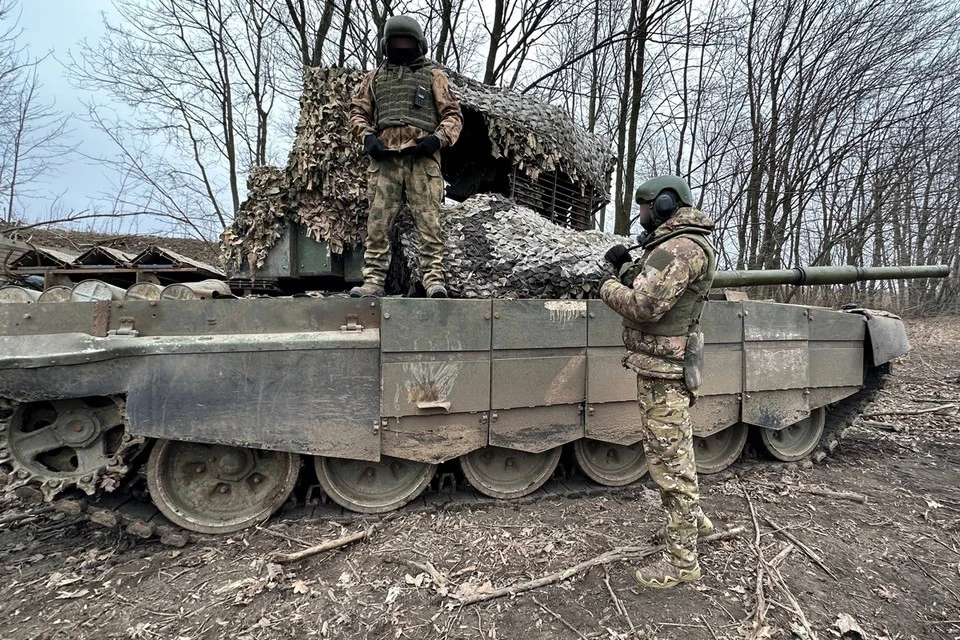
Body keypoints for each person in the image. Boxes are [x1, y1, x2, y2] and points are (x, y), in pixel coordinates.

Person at [599, 175, 717, 589]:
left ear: (665, 205)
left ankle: (682, 561)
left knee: (671, 467)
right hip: (660, 369)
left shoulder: (680, 248)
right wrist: (628, 266)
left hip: (665, 374)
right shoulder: (673, 245)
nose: (642, 216)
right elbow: (654, 284)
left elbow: (645, 305)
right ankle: (695, 524)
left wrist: (606, 285)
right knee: (675, 454)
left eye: (646, 208)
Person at [348, 15, 463, 298]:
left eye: (406, 42)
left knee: (429, 223)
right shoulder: (374, 78)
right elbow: (357, 112)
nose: (401, 46)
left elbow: (453, 115)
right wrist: (367, 138)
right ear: (387, 45)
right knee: (377, 224)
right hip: (385, 161)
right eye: (396, 42)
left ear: (418, 44)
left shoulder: (434, 76)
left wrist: (437, 139)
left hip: (421, 160)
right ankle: (373, 281)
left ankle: (434, 279)